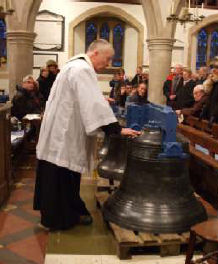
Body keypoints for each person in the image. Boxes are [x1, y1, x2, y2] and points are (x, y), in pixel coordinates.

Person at [33, 39, 140, 231]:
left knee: (61, 176)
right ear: (95, 53)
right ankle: (61, 219)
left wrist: (100, 98)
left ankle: (66, 213)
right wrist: (116, 129)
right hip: (64, 136)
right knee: (62, 177)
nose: (108, 64)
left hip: (58, 132)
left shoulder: (72, 66)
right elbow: (91, 104)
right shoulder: (82, 69)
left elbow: (81, 96)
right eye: (107, 59)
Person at [200, 56, 218, 125]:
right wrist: (204, 112)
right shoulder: (215, 82)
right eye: (213, 67)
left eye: (217, 68)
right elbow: (210, 99)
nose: (213, 70)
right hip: (211, 115)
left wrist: (214, 116)